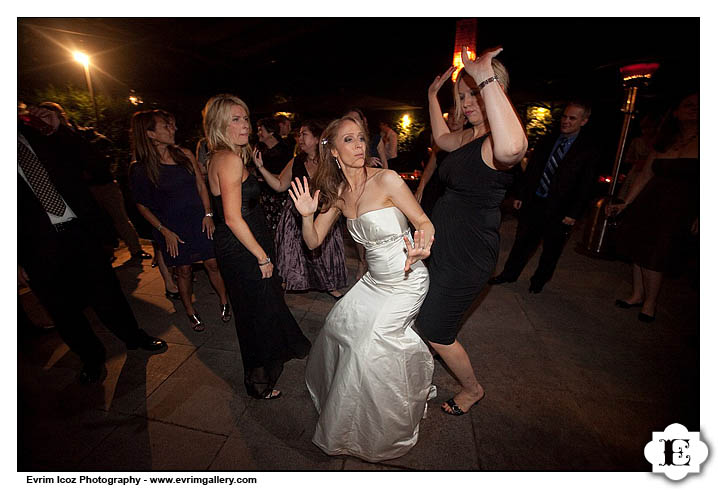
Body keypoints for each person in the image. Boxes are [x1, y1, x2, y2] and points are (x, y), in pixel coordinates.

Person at [289, 115, 435, 462]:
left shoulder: (387, 180)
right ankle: (353, 407)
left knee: (369, 344)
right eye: (349, 140)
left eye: (361, 139)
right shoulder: (338, 194)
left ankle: (385, 425)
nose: (359, 146)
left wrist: (422, 243)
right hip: (373, 282)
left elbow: (423, 222)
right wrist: (307, 215)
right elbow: (313, 242)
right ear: (334, 151)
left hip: (407, 278)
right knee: (339, 327)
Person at [18, 106, 167, 384]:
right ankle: (91, 358)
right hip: (36, 246)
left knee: (106, 290)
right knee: (62, 308)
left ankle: (133, 337)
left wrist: (61, 129)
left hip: (78, 230)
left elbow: (95, 164)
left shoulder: (41, 135)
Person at [417, 46, 527, 416]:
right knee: (428, 313)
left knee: (436, 327)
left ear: (494, 91)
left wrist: (486, 77)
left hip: (468, 253)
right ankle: (423, 364)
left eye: (474, 94)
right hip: (444, 244)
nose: (465, 102)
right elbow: (441, 138)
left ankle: (472, 388)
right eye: (462, 96)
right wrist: (433, 95)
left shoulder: (498, 141)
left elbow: (514, 148)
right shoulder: (466, 137)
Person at [202, 94, 311, 399]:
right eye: (235, 119)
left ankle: (287, 345)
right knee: (254, 312)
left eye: (245, 118)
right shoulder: (230, 159)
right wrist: (262, 257)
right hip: (243, 246)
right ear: (219, 124)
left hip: (248, 239)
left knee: (266, 301)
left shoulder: (225, 155)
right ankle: (258, 381)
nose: (245, 125)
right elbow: (233, 218)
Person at [129, 109, 230, 332]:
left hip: (199, 220)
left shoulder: (183, 154)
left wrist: (208, 213)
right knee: (183, 271)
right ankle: (190, 310)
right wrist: (164, 231)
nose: (172, 129)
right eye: (165, 126)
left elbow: (200, 185)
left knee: (212, 263)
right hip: (170, 227)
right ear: (151, 134)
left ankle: (224, 301)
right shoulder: (140, 168)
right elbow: (142, 205)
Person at [489, 100, 600, 293]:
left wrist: (574, 213)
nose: (566, 121)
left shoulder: (589, 149)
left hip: (562, 209)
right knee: (522, 242)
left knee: (551, 249)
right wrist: (521, 195)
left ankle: (538, 282)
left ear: (584, 121)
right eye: (564, 116)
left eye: (572, 118)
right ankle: (509, 274)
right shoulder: (548, 140)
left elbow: (587, 184)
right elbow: (532, 171)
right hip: (535, 202)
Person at [608, 93, 699, 323]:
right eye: (689, 104)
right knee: (638, 249)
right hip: (649, 201)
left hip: (679, 206)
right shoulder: (665, 139)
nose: (695, 108)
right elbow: (645, 174)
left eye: (700, 105)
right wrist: (625, 202)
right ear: (676, 112)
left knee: (657, 253)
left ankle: (650, 303)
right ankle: (637, 295)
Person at [254, 120, 347, 299]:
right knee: (293, 253)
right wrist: (260, 168)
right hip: (295, 214)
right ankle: (290, 282)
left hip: (323, 211)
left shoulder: (330, 162)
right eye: (299, 135)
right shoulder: (297, 161)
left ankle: (328, 284)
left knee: (322, 252)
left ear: (317, 138)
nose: (299, 139)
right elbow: (280, 185)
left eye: (304, 134)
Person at [344, 108, 387, 281]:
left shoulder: (375, 138)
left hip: (376, 187)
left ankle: (377, 264)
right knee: (360, 227)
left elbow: (384, 163)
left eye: (356, 119)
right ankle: (363, 261)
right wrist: (364, 161)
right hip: (357, 188)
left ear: (364, 121)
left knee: (377, 228)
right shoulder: (346, 142)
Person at [414, 109, 466, 218]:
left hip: (457, 192)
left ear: (465, 120)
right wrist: (420, 188)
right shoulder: (441, 142)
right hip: (436, 189)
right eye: (451, 116)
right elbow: (430, 168)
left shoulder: (469, 142)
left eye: (459, 116)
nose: (454, 120)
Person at [255, 117, 294, 235]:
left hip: (279, 198)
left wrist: (267, 176)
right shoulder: (259, 149)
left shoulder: (285, 151)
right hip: (263, 197)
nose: (258, 133)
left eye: (261, 130)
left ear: (271, 132)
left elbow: (286, 177)